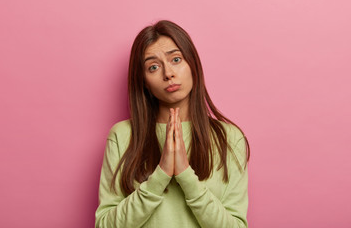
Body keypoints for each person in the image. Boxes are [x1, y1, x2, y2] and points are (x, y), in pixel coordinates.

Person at [95, 20, 250, 228]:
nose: (168, 73)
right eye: (153, 67)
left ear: (193, 64)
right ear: (144, 82)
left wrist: (186, 176)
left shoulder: (229, 137)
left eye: (176, 59)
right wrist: (161, 175)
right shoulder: (122, 136)